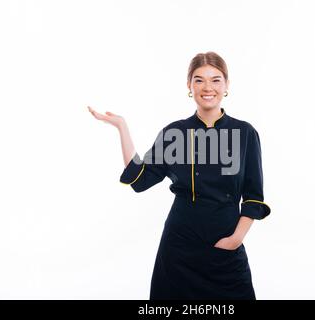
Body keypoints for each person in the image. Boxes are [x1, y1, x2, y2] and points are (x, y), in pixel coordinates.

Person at [87, 51, 271, 300]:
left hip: (226, 250)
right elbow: (140, 179)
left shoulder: (245, 133)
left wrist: (236, 239)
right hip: (179, 250)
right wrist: (122, 127)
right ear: (189, 85)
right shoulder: (175, 133)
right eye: (199, 79)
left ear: (226, 85)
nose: (208, 87)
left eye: (216, 79)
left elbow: (253, 196)